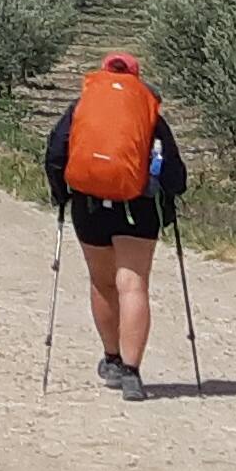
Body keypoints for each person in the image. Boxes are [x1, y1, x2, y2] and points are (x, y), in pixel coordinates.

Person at [41, 49, 190, 396]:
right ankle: (131, 373)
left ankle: (111, 358)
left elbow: (56, 152)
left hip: (89, 204)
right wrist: (170, 198)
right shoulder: (147, 111)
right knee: (132, 285)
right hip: (138, 207)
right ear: (136, 77)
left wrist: (60, 194)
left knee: (102, 282)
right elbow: (174, 173)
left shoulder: (82, 105)